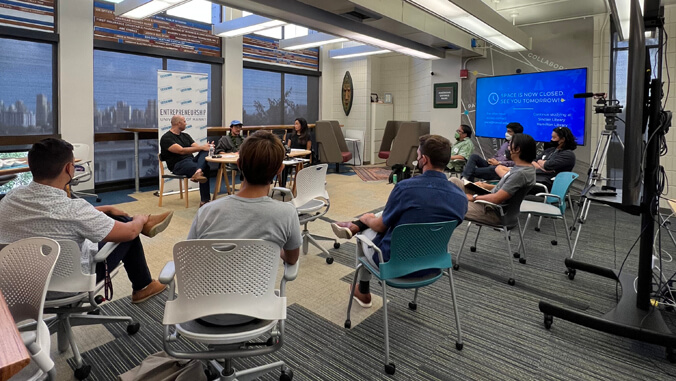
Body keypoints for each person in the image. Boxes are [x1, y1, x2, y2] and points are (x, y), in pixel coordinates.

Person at [0, 138, 172, 303]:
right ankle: (143, 285)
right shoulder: (74, 209)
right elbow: (129, 233)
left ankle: (144, 278)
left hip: (16, 288)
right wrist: (139, 219)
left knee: (113, 219)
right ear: (69, 168)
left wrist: (106, 209)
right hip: (67, 285)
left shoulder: (12, 197)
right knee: (128, 229)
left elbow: (55, 216)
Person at [331, 135, 468, 308]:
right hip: (434, 264)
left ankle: (363, 291)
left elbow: (380, 227)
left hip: (393, 264)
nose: (416, 158)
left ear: (424, 159)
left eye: (418, 155)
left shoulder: (405, 188)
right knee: (394, 215)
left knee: (367, 231)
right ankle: (356, 225)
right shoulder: (460, 198)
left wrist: (367, 219)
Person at [450, 133, 537, 227]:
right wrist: (486, 186)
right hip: (490, 201)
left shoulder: (520, 174)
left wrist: (474, 197)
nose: (507, 148)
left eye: (510, 144)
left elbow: (497, 199)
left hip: (493, 211)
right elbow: (510, 189)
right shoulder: (524, 168)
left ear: (517, 149)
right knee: (454, 181)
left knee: (450, 204)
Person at [496, 126, 577, 190]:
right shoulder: (550, 150)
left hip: (544, 183)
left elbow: (547, 166)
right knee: (499, 169)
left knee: (510, 182)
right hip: (533, 176)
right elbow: (533, 161)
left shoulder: (568, 155)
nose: (551, 140)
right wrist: (541, 165)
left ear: (562, 140)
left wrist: (541, 164)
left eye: (554, 138)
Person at [160, 115, 212, 207]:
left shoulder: (186, 136)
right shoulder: (166, 138)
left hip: (191, 160)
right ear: (178, 123)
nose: (186, 124)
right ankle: (205, 201)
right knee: (206, 167)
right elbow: (181, 151)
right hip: (178, 165)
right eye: (184, 121)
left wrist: (207, 147)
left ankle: (198, 172)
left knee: (204, 151)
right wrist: (202, 147)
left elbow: (197, 147)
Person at [280, 117, 313, 187]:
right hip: (292, 157)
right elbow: (288, 148)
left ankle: (300, 186)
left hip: (302, 158)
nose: (295, 126)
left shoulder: (307, 136)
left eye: (297, 124)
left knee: (300, 166)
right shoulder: (291, 135)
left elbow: (308, 150)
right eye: (295, 124)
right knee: (284, 166)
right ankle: (283, 186)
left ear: (302, 125)